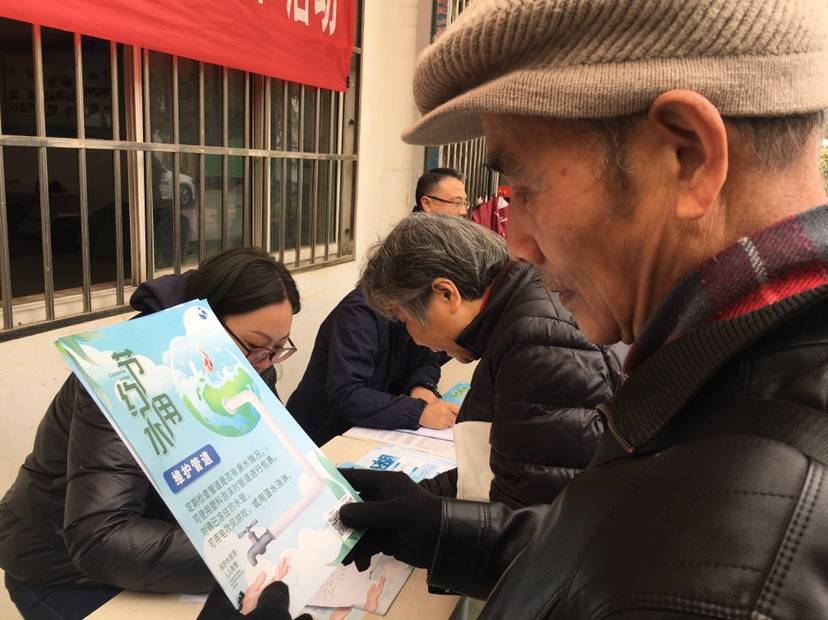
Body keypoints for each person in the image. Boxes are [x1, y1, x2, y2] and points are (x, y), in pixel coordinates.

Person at [333, 2, 828, 619]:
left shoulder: (744, 573)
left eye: (524, 189)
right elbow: (612, 547)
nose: (516, 244)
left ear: (688, 156)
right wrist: (439, 529)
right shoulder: (726, 377)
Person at [0, 247, 301, 620]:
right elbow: (101, 536)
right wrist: (245, 550)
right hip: (60, 568)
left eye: (277, 349)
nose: (264, 365)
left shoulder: (246, 363)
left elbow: (267, 455)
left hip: (161, 553)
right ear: (203, 320)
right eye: (255, 348)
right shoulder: (125, 374)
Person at [360, 213, 619, 507]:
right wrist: (416, 495)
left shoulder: (535, 344)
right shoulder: (522, 318)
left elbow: (524, 516)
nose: (413, 338)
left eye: (403, 319)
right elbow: (510, 470)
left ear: (446, 294)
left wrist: (426, 518)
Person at [286, 287, 456, 446]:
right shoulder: (358, 313)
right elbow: (347, 394)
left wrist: (421, 386)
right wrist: (417, 413)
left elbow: (428, 358)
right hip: (320, 436)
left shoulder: (416, 308)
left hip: (372, 430)